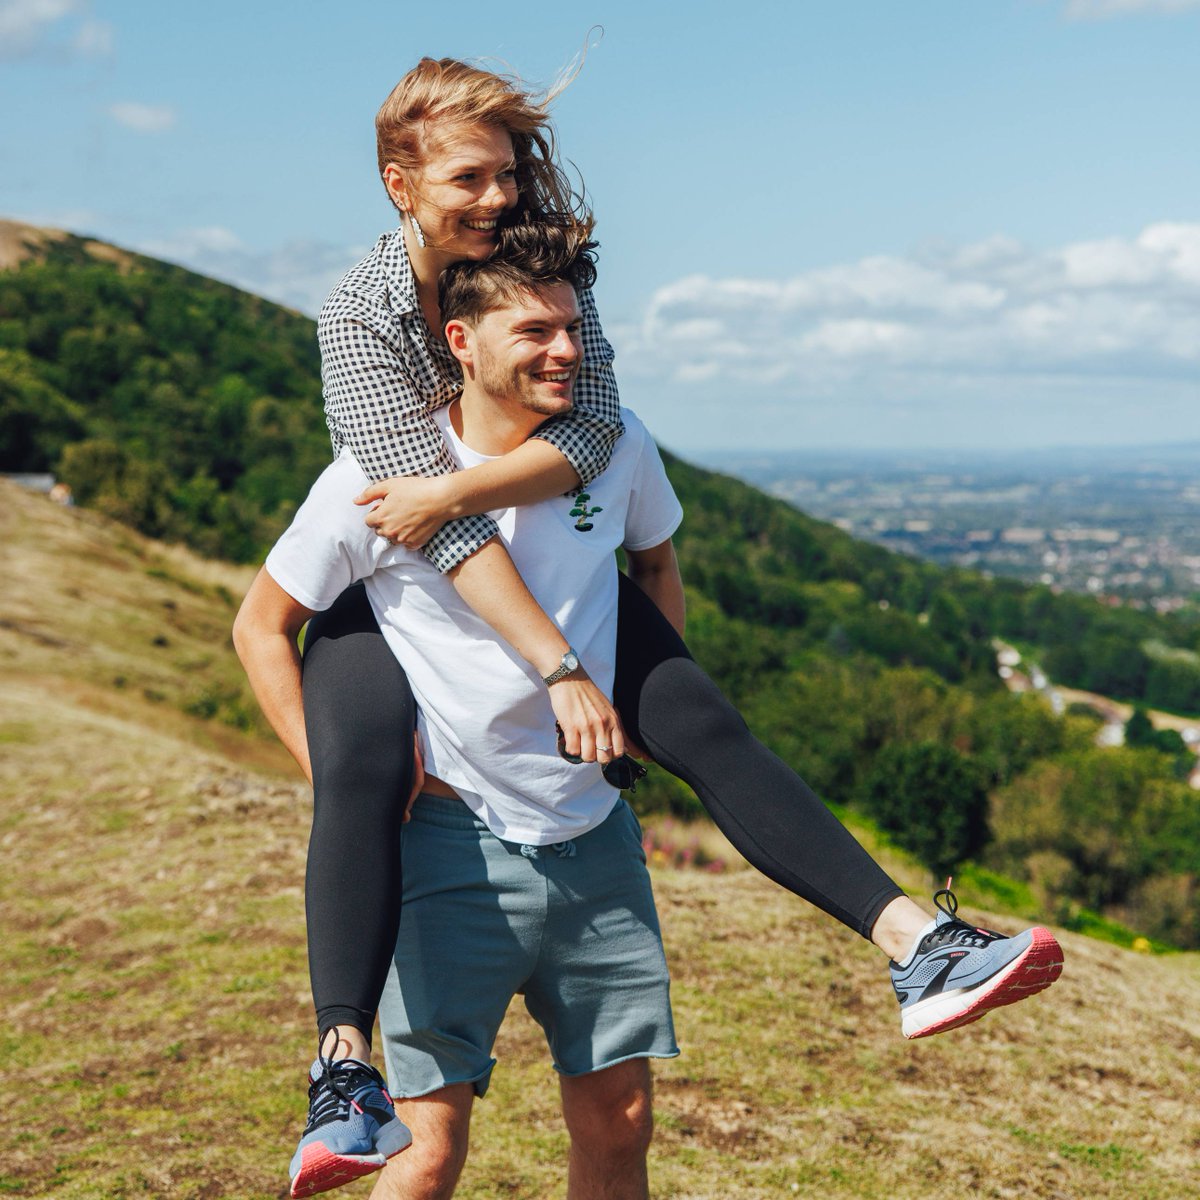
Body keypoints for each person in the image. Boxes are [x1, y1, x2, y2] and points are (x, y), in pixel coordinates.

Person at [254, 56, 1063, 1195]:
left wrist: (483, 517)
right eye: (470, 179)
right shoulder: (361, 313)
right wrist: (555, 662)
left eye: (509, 173)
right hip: (399, 578)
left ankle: (916, 946)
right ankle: (342, 1066)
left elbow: (588, 441)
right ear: (400, 184)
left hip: (482, 530)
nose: (498, 200)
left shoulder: (542, 274)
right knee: (364, 765)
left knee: (698, 714)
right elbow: (415, 517)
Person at [236, 224, 683, 1199]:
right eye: (535, 329)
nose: (567, 349)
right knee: (426, 1149)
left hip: (593, 833)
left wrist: (649, 704)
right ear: (460, 341)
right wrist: (344, 784)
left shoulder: (617, 447)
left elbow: (654, 561)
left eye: (574, 326)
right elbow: (260, 626)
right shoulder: (375, 475)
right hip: (446, 845)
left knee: (621, 1119)